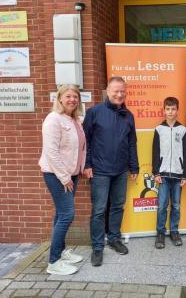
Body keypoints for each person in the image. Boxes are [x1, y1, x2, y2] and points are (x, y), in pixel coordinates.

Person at [83, 76, 139, 266]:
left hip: (121, 170)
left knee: (117, 206)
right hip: (99, 170)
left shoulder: (128, 115)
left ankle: (114, 239)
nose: (119, 94)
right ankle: (97, 247)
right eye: (116, 91)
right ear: (107, 91)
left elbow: (132, 143)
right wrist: (87, 164)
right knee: (99, 210)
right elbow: (86, 142)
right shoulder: (94, 112)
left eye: (122, 91)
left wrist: (134, 166)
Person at [39, 84, 86, 275]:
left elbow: (81, 147)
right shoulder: (53, 119)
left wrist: (79, 170)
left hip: (71, 174)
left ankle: (61, 252)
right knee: (67, 215)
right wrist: (65, 177)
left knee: (60, 214)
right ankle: (54, 262)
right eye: (68, 96)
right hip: (56, 175)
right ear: (59, 98)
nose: (72, 100)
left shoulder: (74, 119)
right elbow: (51, 152)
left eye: (75, 96)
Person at [153, 97, 186, 249]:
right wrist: (156, 172)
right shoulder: (159, 129)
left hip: (178, 175)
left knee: (176, 205)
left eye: (173, 109)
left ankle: (174, 231)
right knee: (162, 205)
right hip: (163, 174)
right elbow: (155, 152)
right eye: (168, 109)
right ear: (164, 110)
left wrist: (185, 175)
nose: (170, 112)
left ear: (177, 110)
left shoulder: (183, 130)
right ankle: (160, 233)